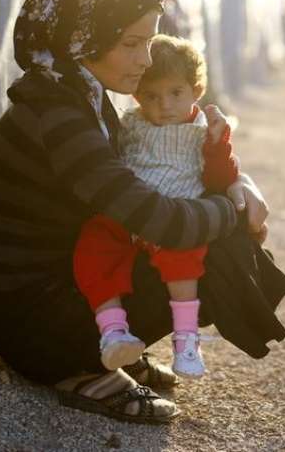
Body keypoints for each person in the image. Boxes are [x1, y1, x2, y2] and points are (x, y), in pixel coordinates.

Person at [0, 0, 285, 425]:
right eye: (131, 43)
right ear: (83, 36)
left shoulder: (74, 96)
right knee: (214, 244)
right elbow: (158, 218)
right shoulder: (57, 115)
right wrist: (231, 210)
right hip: (32, 328)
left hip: (45, 298)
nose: (146, 59)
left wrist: (239, 181)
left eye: (149, 42)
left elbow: (149, 182)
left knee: (207, 234)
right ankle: (76, 368)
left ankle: (106, 341)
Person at [72, 34, 239, 379]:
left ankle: (186, 339)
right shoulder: (131, 123)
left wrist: (220, 145)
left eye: (175, 93)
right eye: (151, 96)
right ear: (137, 97)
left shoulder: (203, 131)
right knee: (93, 246)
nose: (164, 105)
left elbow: (221, 178)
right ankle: (114, 332)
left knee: (184, 257)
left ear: (196, 90)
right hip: (128, 213)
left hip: (174, 214)